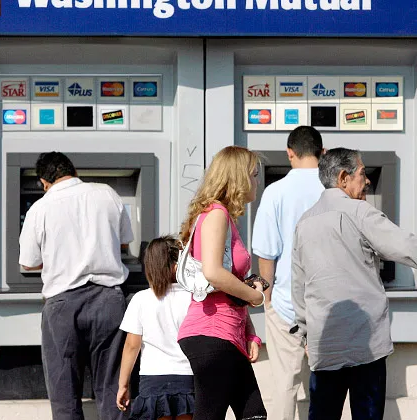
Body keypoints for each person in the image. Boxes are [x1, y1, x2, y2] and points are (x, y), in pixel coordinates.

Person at [291, 147, 417, 420]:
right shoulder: (359, 212)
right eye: (362, 173)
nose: (367, 180)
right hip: (365, 344)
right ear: (344, 178)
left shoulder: (304, 222)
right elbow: (407, 247)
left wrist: (305, 334)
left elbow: (299, 285)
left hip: (325, 346)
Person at [19, 151, 133, 420]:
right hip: (109, 300)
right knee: (114, 389)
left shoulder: (40, 208)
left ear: (44, 182)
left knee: (64, 394)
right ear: (74, 172)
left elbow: (28, 262)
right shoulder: (107, 194)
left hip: (62, 304)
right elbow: (124, 242)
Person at [177, 145, 268, 420]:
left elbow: (228, 284)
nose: (257, 181)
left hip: (226, 333)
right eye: (253, 175)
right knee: (210, 415)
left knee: (253, 414)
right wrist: (256, 297)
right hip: (213, 333)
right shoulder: (217, 214)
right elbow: (214, 273)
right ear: (238, 178)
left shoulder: (220, 215)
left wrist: (249, 333)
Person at [252, 126, 324, 420]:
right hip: (328, 303)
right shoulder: (335, 190)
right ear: (322, 152)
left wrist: (268, 299)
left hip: (286, 304)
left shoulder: (275, 192)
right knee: (327, 384)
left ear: (289, 153)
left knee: (285, 384)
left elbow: (266, 252)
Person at [116, 236, 195, 420]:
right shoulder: (193, 298)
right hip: (188, 376)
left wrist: (123, 385)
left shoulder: (141, 299)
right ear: (177, 265)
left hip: (153, 379)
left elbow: (132, 346)